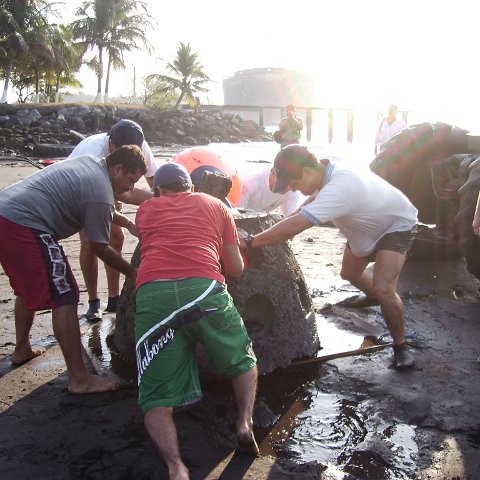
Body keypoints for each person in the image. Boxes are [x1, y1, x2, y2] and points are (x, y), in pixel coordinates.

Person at [239, 145, 419, 370]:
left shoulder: (341, 187)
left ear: (306, 172)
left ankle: (401, 346)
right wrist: (278, 226)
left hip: (394, 224)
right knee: (349, 273)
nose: (292, 190)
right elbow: (309, 205)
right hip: (363, 225)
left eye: (293, 184)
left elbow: (296, 226)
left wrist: (250, 241)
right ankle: (373, 295)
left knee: (384, 288)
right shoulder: (323, 167)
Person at [134, 162, 259, 479]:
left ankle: (176, 467)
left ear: (159, 190)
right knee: (242, 359)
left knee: (156, 397)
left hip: (154, 296)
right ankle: (244, 422)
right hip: (203, 291)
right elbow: (235, 270)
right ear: (190, 186)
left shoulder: (146, 210)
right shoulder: (216, 205)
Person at [0, 145, 147, 393]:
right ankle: (79, 378)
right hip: (25, 224)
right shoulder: (100, 190)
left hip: (7, 214)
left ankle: (22, 349)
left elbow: (98, 207)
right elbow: (99, 247)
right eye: (130, 181)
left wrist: (128, 222)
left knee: (27, 289)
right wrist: (132, 273)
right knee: (65, 293)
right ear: (117, 168)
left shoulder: (93, 165)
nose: (130, 188)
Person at [68, 119, 159, 321]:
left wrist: (165, 199)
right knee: (90, 243)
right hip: (82, 192)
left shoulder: (139, 145)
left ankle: (114, 297)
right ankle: (93, 301)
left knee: (116, 238)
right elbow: (124, 195)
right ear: (112, 145)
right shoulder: (92, 151)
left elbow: (154, 182)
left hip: (114, 184)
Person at [237, 166, 302, 216]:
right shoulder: (251, 183)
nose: (290, 188)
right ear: (273, 172)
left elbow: (290, 220)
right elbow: (235, 215)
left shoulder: (292, 191)